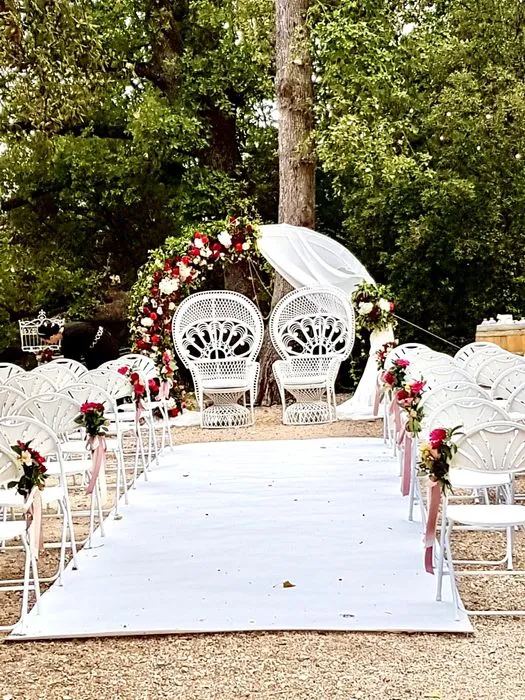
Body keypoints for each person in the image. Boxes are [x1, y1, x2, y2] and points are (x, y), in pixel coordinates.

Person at [37, 320, 120, 370]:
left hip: (105, 350)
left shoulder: (69, 337)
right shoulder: (67, 328)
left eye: (46, 341)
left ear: (51, 337)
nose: (47, 343)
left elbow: (72, 361)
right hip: (105, 343)